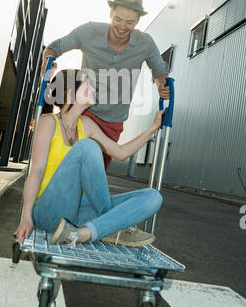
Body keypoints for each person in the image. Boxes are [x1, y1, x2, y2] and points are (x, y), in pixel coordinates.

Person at [15, 69, 164, 248]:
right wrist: (26, 215)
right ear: (70, 92)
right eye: (87, 84)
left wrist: (153, 128)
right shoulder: (48, 122)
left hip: (77, 216)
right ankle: (111, 225)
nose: (93, 88)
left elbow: (121, 152)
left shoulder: (87, 125)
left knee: (153, 196)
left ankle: (84, 233)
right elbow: (36, 171)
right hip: (48, 210)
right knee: (87, 147)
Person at [41, 0, 170, 170]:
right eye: (118, 19)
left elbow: (160, 73)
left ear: (138, 21)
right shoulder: (89, 31)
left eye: (130, 22)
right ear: (110, 13)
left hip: (113, 121)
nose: (122, 27)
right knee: (70, 165)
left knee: (95, 172)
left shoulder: (145, 43)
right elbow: (55, 47)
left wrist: (161, 85)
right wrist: (49, 60)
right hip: (85, 110)